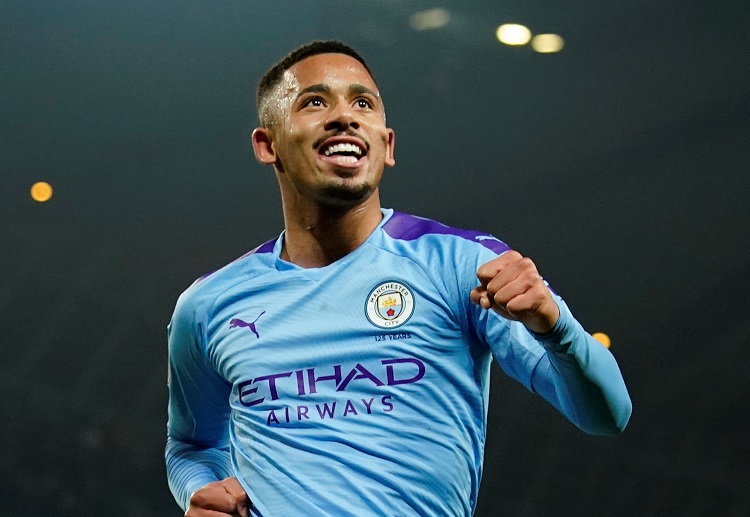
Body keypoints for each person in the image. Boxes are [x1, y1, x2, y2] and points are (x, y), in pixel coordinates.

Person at [165, 40, 632, 517]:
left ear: (386, 145)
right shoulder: (208, 305)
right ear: (268, 145)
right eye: (315, 101)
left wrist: (555, 327)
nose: (345, 117)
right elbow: (191, 446)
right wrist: (200, 491)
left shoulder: (461, 264)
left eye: (363, 103)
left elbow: (608, 414)